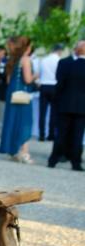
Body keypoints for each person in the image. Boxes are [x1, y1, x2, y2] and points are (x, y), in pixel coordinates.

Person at [0, 36, 37, 163]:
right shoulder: (25, 60)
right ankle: (24, 152)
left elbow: (8, 80)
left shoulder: (12, 59)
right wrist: (37, 75)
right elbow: (28, 79)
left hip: (12, 92)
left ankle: (12, 150)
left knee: (12, 120)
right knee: (24, 122)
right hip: (23, 94)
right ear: (27, 47)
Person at [48, 40, 85, 171]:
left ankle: (53, 159)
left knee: (61, 134)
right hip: (81, 107)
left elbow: (59, 84)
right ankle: (75, 162)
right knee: (77, 136)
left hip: (65, 104)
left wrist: (56, 100)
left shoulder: (64, 62)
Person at [38, 43, 64, 141]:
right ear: (59, 51)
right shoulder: (59, 61)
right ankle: (51, 134)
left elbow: (39, 73)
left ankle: (41, 134)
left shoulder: (44, 60)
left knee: (42, 112)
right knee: (53, 112)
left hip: (44, 85)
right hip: (54, 86)